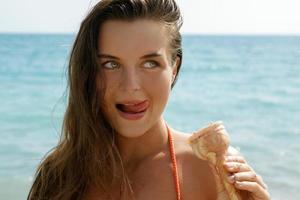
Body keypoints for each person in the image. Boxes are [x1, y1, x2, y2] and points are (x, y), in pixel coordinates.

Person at [27, 0, 270, 199]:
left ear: (174, 67)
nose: (131, 86)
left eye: (150, 63)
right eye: (111, 64)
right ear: (88, 72)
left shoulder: (211, 170)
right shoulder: (60, 175)